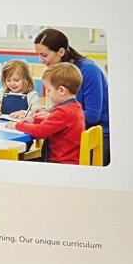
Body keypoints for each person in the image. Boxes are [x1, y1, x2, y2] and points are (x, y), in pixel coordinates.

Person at [34, 28, 109, 165]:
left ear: (61, 52)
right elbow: (69, 107)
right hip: (74, 133)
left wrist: (52, 116)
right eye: (38, 55)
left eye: (44, 55)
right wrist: (48, 111)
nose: (41, 60)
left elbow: (93, 116)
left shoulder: (88, 70)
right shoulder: (61, 71)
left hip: (96, 137)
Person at [13, 63, 86, 164]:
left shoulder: (63, 111)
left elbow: (40, 131)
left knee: (18, 163)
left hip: (59, 164)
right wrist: (34, 121)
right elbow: (54, 124)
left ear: (61, 90)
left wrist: (17, 125)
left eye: (48, 90)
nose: (47, 93)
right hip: (69, 161)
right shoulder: (75, 107)